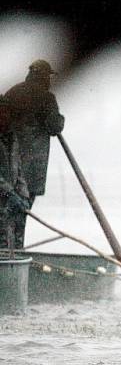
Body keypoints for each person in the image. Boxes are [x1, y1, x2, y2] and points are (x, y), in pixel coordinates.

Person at [3, 59, 65, 247]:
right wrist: (60, 118)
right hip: (31, 169)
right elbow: (55, 126)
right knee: (21, 213)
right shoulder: (46, 98)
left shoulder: (12, 92)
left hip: (6, 165)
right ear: (45, 76)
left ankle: (7, 253)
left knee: (5, 212)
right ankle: (15, 255)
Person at [0, 95, 31, 250]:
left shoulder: (12, 138)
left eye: (7, 112)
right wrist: (9, 192)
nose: (5, 116)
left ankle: (17, 258)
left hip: (10, 196)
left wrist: (23, 195)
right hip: (3, 197)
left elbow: (19, 171)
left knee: (18, 224)